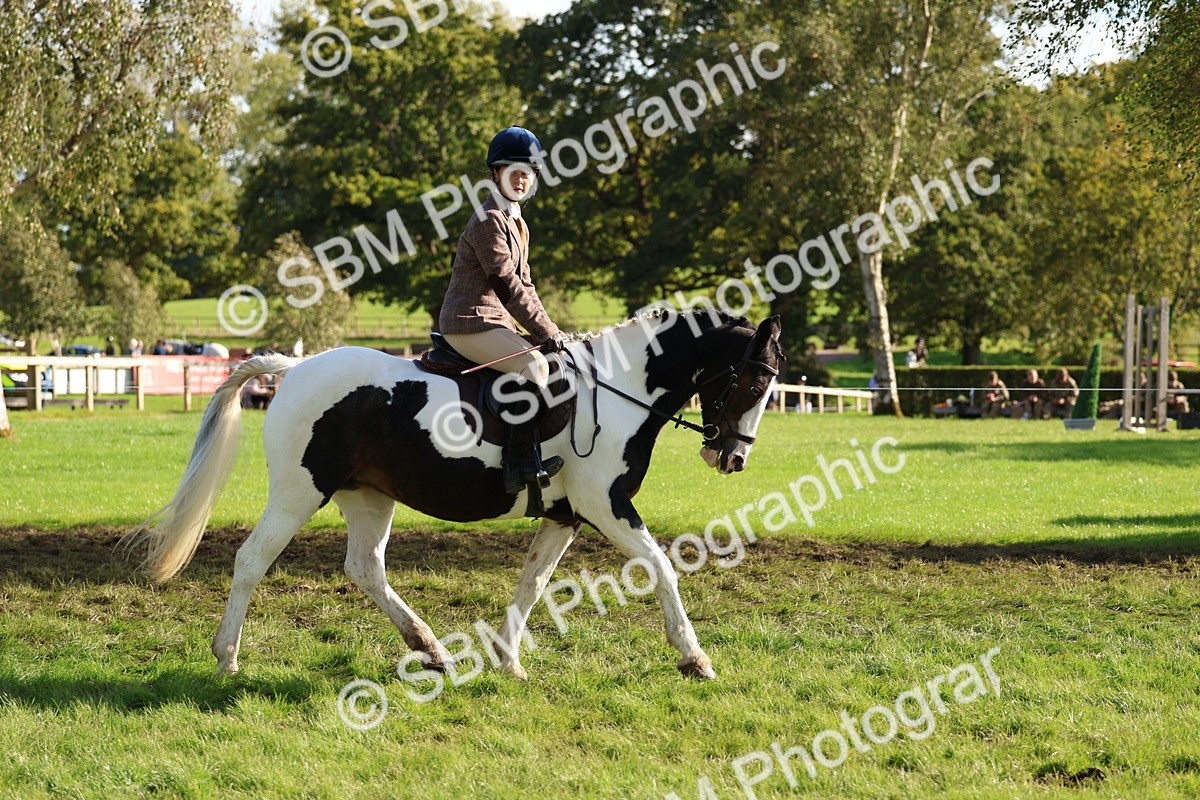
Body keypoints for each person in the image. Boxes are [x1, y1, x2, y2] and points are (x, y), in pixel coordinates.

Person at [439, 126, 570, 494]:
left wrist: (551, 329)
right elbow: (506, 283)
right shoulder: (489, 219)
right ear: (496, 174)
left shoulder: (518, 224)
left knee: (555, 362)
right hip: (468, 322)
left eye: (527, 172)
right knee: (535, 366)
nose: (521, 177)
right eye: (512, 170)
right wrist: (546, 334)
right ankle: (518, 465)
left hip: (494, 323)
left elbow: (526, 284)